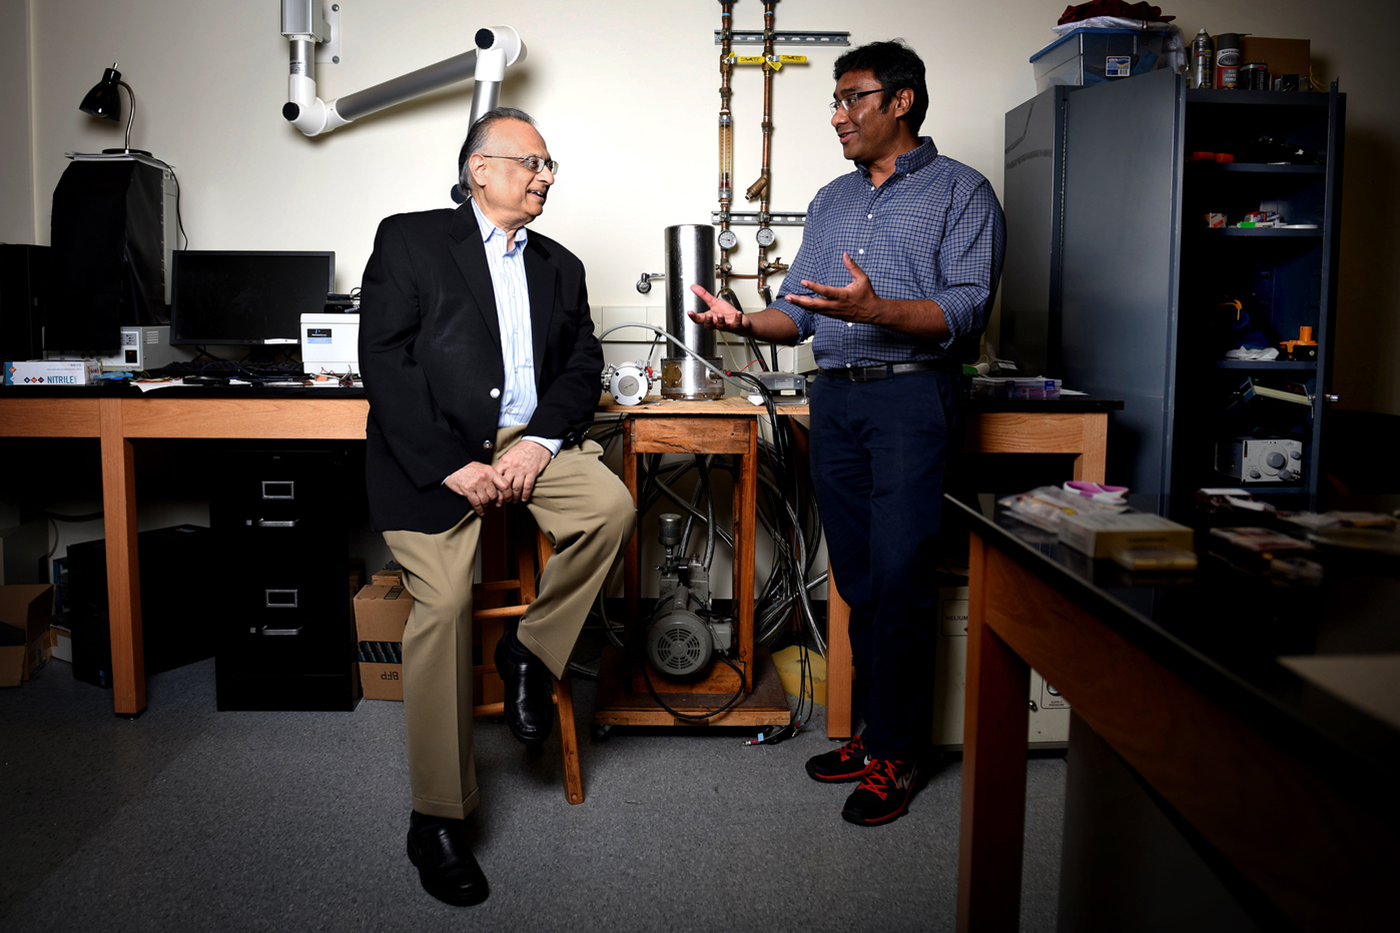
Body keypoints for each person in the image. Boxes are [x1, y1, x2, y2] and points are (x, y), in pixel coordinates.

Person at [690, 40, 1005, 826]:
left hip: (911, 401)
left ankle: (901, 754)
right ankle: (877, 735)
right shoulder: (832, 198)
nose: (838, 114)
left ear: (900, 101)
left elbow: (965, 307)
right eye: (835, 100)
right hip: (836, 404)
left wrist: (876, 310)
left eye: (852, 97)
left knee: (901, 581)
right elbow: (796, 313)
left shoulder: (963, 192)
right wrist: (741, 320)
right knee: (858, 582)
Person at [359, 107, 635, 904]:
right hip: (432, 450)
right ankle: (437, 818)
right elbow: (383, 359)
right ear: (480, 169)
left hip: (528, 441)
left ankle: (531, 649)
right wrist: (453, 463)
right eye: (532, 162)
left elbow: (583, 365)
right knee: (442, 605)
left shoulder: (561, 264)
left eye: (550, 166)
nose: (545, 176)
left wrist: (540, 441)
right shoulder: (410, 240)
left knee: (610, 507)